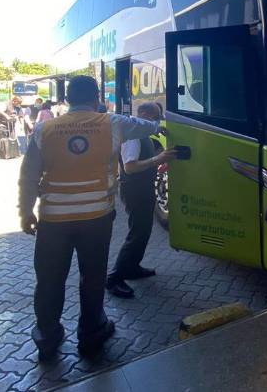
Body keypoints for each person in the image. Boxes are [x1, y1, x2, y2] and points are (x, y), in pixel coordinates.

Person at [17, 75, 169, 361]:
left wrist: (25, 212)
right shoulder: (112, 123)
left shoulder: (44, 129)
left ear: (67, 99)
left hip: (53, 220)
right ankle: (91, 332)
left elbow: (28, 175)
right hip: (95, 218)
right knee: (92, 276)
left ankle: (47, 336)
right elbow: (151, 125)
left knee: (49, 280)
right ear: (97, 97)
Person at [106, 102, 177, 298]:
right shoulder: (132, 135)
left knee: (143, 230)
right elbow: (130, 167)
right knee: (137, 232)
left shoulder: (142, 133)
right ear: (144, 114)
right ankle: (114, 278)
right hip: (134, 188)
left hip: (142, 187)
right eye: (155, 117)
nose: (156, 121)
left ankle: (132, 267)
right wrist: (158, 159)